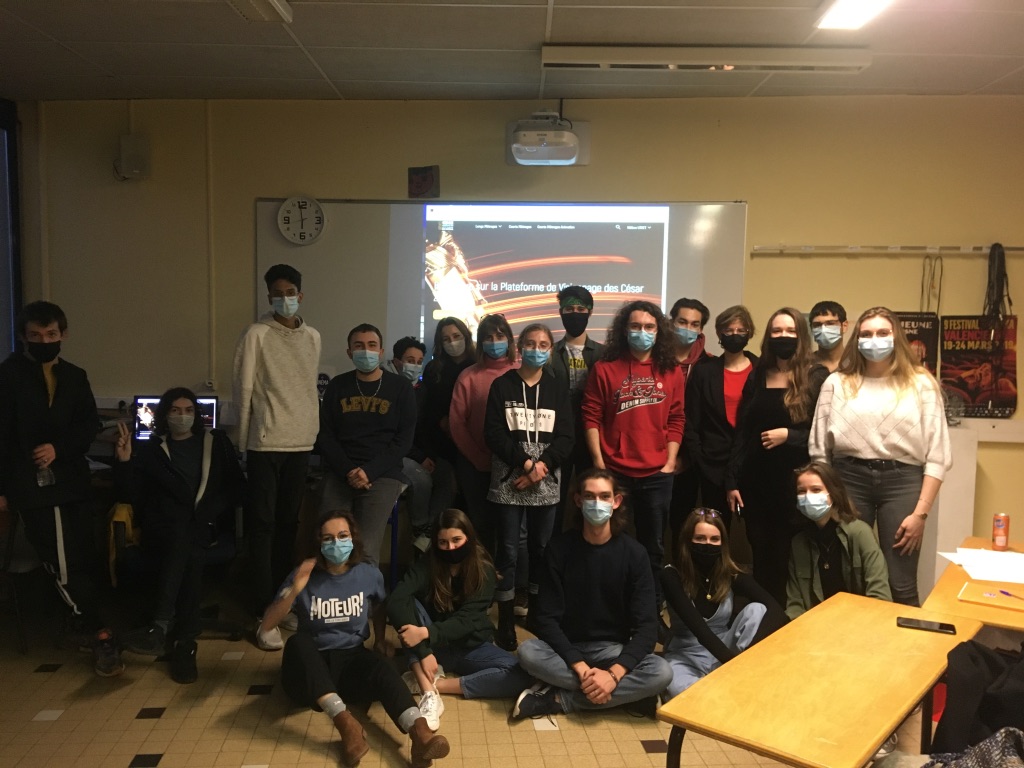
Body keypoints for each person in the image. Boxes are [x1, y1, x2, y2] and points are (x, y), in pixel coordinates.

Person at [268, 510, 450, 768]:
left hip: (350, 661)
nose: (336, 543)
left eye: (343, 536)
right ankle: (347, 725)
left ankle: (420, 735)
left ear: (353, 538)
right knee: (298, 643)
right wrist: (295, 589)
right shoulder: (304, 573)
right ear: (318, 543)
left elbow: (380, 605)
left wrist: (379, 638)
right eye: (328, 538)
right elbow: (267, 625)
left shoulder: (367, 573)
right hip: (309, 672)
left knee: (382, 666)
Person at [0, 301, 122, 677]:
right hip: (33, 486)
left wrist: (59, 448)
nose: (44, 341)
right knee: (63, 561)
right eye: (35, 336)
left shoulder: (74, 376)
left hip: (72, 480)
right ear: (23, 337)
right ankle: (96, 630)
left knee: (84, 554)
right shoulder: (8, 376)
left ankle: (81, 619)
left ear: (63, 334)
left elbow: (87, 426)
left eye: (51, 334)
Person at [810, 306, 951, 606]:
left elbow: (938, 456)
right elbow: (819, 449)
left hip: (903, 483)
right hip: (848, 480)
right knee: (850, 576)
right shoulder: (836, 383)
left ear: (896, 337)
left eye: (883, 333)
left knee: (900, 581)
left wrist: (920, 514)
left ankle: (904, 637)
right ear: (856, 339)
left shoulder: (922, 384)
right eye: (867, 334)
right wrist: (826, 498)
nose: (875, 339)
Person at [511, 469, 672, 720]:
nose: (597, 503)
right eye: (589, 496)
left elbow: (647, 628)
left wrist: (613, 674)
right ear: (578, 500)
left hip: (613, 650)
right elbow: (545, 619)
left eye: (604, 496)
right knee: (527, 653)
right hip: (565, 650)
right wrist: (582, 668)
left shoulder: (635, 554)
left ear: (616, 501)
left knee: (661, 672)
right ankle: (625, 696)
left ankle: (559, 699)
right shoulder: (559, 549)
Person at [114, 387, 245, 683]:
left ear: (197, 415)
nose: (182, 416)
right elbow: (130, 495)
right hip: (163, 530)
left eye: (188, 411)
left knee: (188, 543)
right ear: (165, 415)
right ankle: (185, 642)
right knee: (187, 544)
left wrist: (209, 511)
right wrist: (124, 461)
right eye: (175, 411)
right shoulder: (151, 450)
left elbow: (237, 488)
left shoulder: (216, 443)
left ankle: (160, 626)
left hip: (202, 526)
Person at [387, 508, 533, 729]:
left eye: (456, 540)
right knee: (408, 607)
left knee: (519, 675)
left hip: (470, 645)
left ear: (469, 537)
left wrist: (425, 633)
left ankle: (435, 684)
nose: (450, 548)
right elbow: (396, 600)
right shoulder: (428, 563)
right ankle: (428, 693)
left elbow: (468, 620)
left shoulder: (483, 570)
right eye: (443, 542)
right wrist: (424, 651)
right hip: (433, 646)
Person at [233, 264, 321, 626]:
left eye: (290, 293)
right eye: (277, 294)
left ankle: (283, 603)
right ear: (269, 296)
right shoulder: (256, 334)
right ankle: (262, 606)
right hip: (265, 444)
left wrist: (312, 432)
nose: (284, 299)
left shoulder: (312, 336)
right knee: (262, 525)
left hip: (301, 443)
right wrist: (243, 443)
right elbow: (244, 390)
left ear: (300, 295)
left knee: (288, 526)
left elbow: (308, 388)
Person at [581, 300, 684, 599]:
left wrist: (670, 460)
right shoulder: (604, 369)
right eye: (636, 326)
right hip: (615, 473)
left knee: (654, 547)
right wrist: (600, 465)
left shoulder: (671, 371)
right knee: (613, 544)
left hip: (657, 474)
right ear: (624, 330)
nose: (642, 332)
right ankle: (614, 605)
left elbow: (677, 418)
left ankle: (651, 607)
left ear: (659, 331)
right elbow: (591, 416)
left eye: (649, 327)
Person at [726, 307, 829, 604]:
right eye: (777, 331)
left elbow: (825, 433)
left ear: (801, 335)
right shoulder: (758, 374)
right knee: (760, 550)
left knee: (791, 554)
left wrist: (789, 436)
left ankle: (791, 614)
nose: (783, 336)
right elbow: (744, 431)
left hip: (796, 484)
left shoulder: (816, 376)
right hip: (756, 483)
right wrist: (732, 480)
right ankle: (764, 614)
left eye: (790, 331)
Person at [484, 323, 574, 650]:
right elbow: (494, 433)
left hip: (546, 481)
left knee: (541, 549)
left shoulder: (557, 388)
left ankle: (536, 613)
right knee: (508, 551)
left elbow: (566, 437)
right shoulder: (501, 385)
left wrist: (541, 468)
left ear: (550, 350)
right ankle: (506, 618)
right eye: (531, 343)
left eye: (543, 344)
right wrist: (525, 464)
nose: (537, 349)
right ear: (520, 347)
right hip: (509, 478)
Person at [316, 323, 415, 570]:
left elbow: (403, 440)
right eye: (359, 346)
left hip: (383, 475)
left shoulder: (401, 388)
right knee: (330, 542)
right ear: (349, 352)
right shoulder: (337, 386)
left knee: (366, 549)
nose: (366, 351)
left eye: (372, 345)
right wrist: (349, 471)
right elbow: (326, 436)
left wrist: (369, 472)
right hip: (340, 473)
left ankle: (365, 594)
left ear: (381, 352)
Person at [660, 507, 787, 697]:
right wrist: (734, 667)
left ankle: (734, 683)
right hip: (685, 656)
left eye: (714, 539)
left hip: (727, 650)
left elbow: (776, 610)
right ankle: (733, 686)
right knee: (688, 697)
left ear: (723, 543)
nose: (708, 544)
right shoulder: (671, 575)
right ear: (688, 541)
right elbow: (700, 630)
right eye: (700, 538)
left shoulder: (730, 573)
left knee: (757, 609)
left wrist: (749, 657)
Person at [682, 305, 757, 532]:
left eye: (741, 330)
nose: (735, 335)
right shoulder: (704, 371)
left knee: (757, 531)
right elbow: (690, 420)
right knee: (714, 531)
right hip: (712, 467)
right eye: (729, 330)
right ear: (719, 333)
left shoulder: (762, 370)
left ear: (750, 333)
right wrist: (700, 459)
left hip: (752, 464)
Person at [786, 462, 891, 619]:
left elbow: (880, 597)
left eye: (816, 490)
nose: (808, 497)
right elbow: (795, 605)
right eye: (802, 491)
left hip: (860, 623)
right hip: (815, 626)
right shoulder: (799, 543)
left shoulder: (860, 533)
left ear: (833, 494)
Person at [449, 313, 518, 554]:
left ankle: (508, 576)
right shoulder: (468, 376)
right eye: (488, 337)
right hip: (475, 465)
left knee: (511, 530)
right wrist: (479, 459)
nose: (494, 342)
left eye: (500, 336)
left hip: (514, 465)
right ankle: (483, 574)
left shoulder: (521, 370)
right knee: (480, 525)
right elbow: (457, 423)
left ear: (509, 339)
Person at [546, 285, 605, 527]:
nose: (575, 314)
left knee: (591, 495)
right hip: (558, 436)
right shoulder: (550, 353)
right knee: (554, 499)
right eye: (569, 309)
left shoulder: (604, 354)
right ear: (561, 312)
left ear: (590, 312)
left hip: (593, 436)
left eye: (581, 309)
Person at [667, 297, 714, 546]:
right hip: (650, 454)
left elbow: (708, 418)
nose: (688, 328)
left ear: (701, 329)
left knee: (682, 522)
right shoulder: (653, 359)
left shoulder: (710, 364)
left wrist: (686, 458)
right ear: (671, 322)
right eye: (682, 322)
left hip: (690, 458)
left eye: (694, 324)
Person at [809, 300, 848, 373]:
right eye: (817, 325)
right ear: (811, 328)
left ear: (844, 326)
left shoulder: (856, 363)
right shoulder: (804, 365)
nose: (823, 330)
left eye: (830, 323)